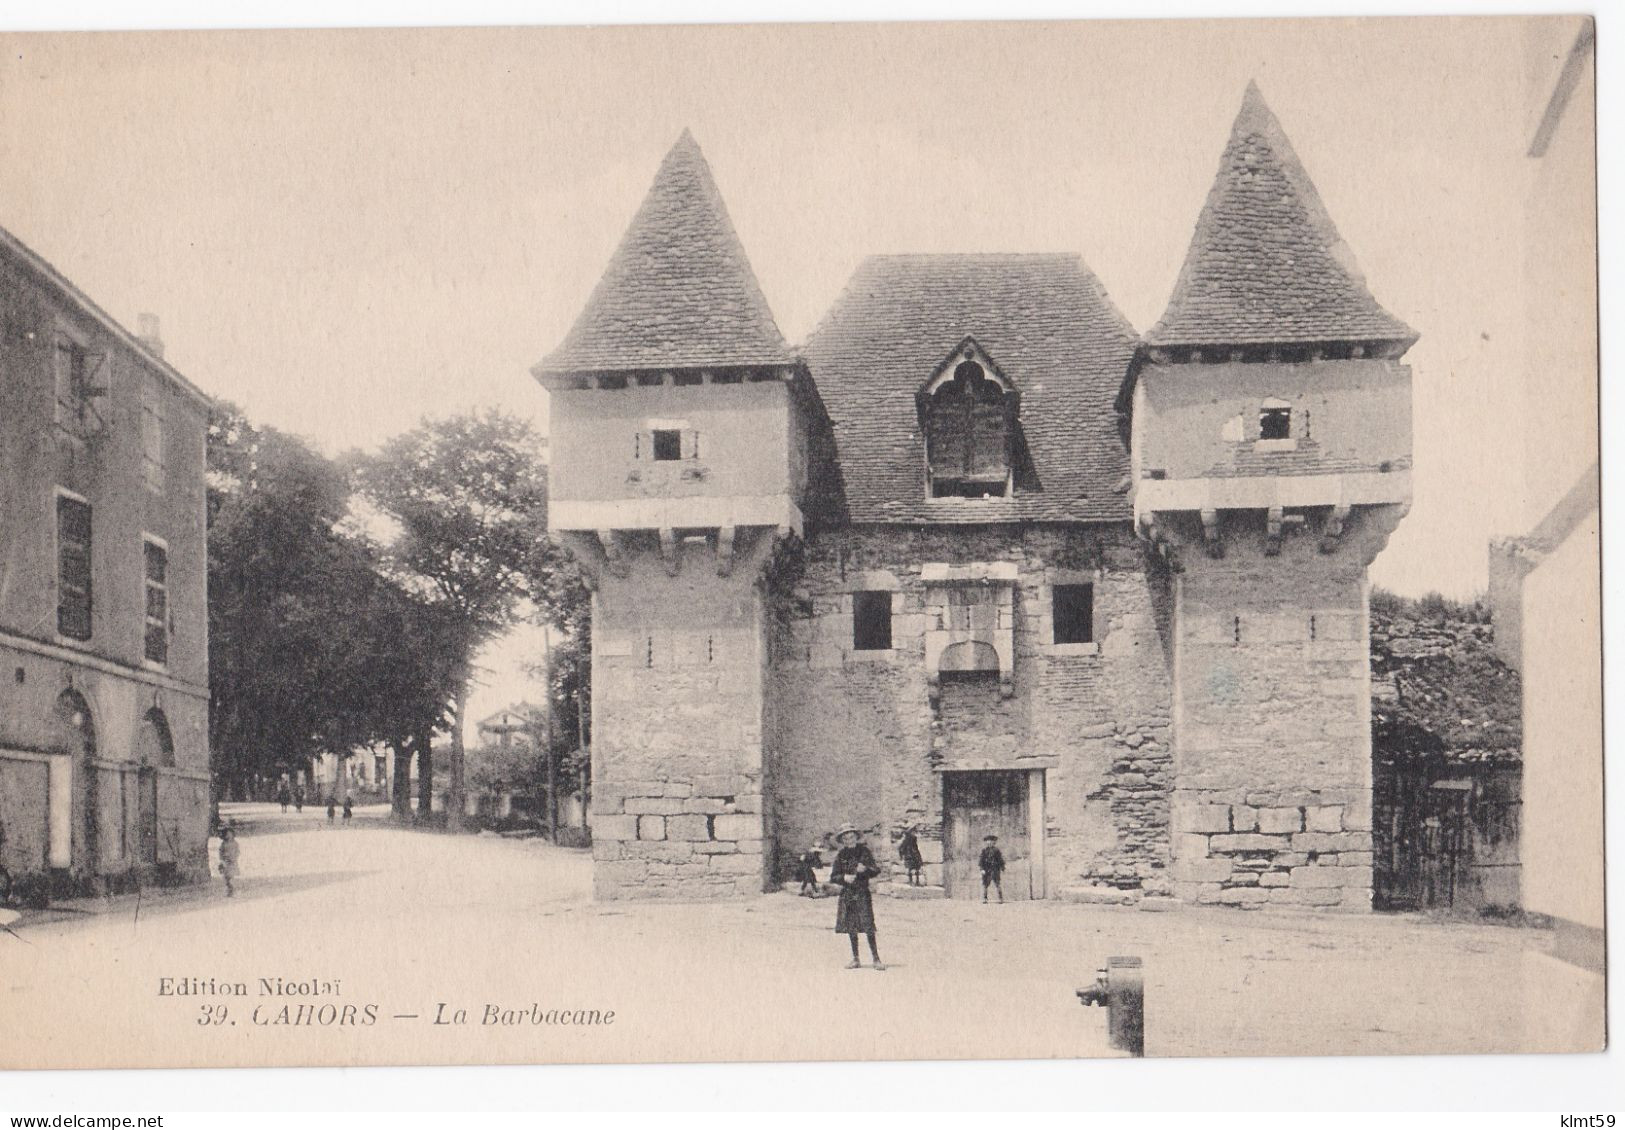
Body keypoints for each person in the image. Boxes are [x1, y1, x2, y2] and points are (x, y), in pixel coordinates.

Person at [831, 824, 884, 970]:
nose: (849, 840)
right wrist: (844, 878)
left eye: (851, 837)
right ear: (843, 840)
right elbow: (833, 876)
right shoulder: (841, 855)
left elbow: (875, 870)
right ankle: (856, 959)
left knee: (868, 925)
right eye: (845, 838)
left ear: (856, 837)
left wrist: (865, 869)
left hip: (862, 893)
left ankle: (876, 959)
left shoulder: (864, 852)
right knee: (851, 926)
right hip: (847, 894)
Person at [979, 834, 1006, 903]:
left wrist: (1002, 868)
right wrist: (982, 869)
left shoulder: (997, 851)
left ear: (994, 842)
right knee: (985, 884)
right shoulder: (984, 851)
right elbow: (981, 861)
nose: (989, 843)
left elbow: (1000, 860)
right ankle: (985, 898)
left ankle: (1000, 898)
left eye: (991, 842)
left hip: (995, 869)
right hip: (986, 870)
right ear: (986, 843)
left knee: (997, 884)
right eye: (988, 842)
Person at [218, 825, 241, 897]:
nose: (229, 836)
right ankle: (229, 890)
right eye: (227, 834)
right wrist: (222, 859)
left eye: (230, 834)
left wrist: (235, 857)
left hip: (233, 862)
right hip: (226, 862)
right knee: (227, 878)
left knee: (231, 877)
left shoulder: (235, 843)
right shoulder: (223, 844)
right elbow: (220, 852)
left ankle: (232, 890)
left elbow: (238, 852)